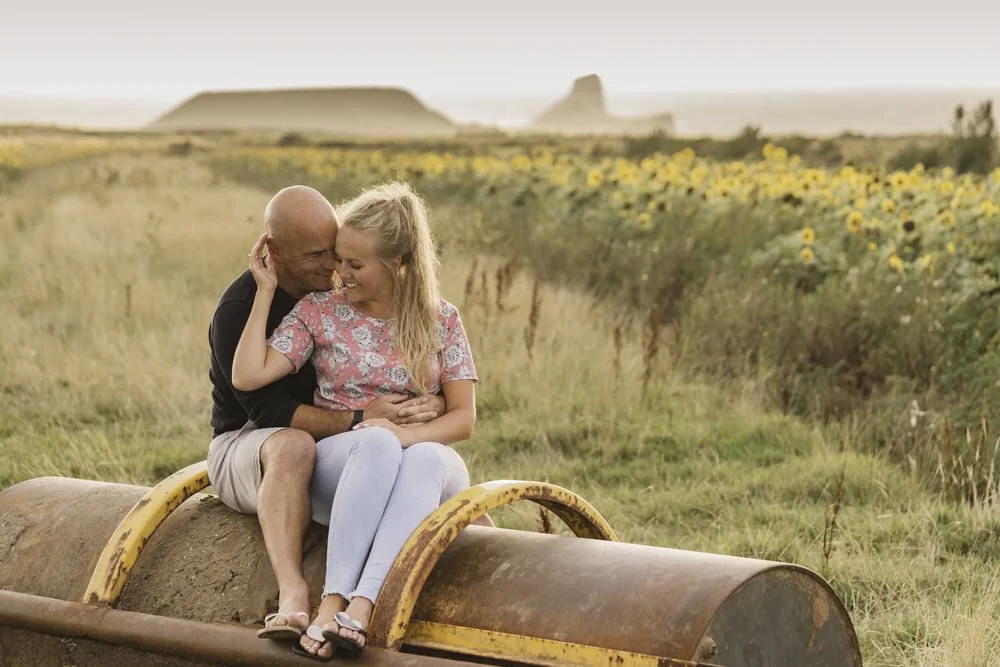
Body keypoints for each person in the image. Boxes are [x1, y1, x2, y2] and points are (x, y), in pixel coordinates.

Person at [232, 181, 477, 660]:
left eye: (354, 264)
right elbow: (247, 375)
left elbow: (463, 420)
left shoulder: (441, 319)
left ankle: (361, 609)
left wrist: (404, 431)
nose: (337, 273)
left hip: (425, 467)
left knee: (424, 456)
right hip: (348, 465)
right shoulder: (319, 311)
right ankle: (335, 604)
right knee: (380, 445)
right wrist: (263, 292)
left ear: (397, 264)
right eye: (338, 258)